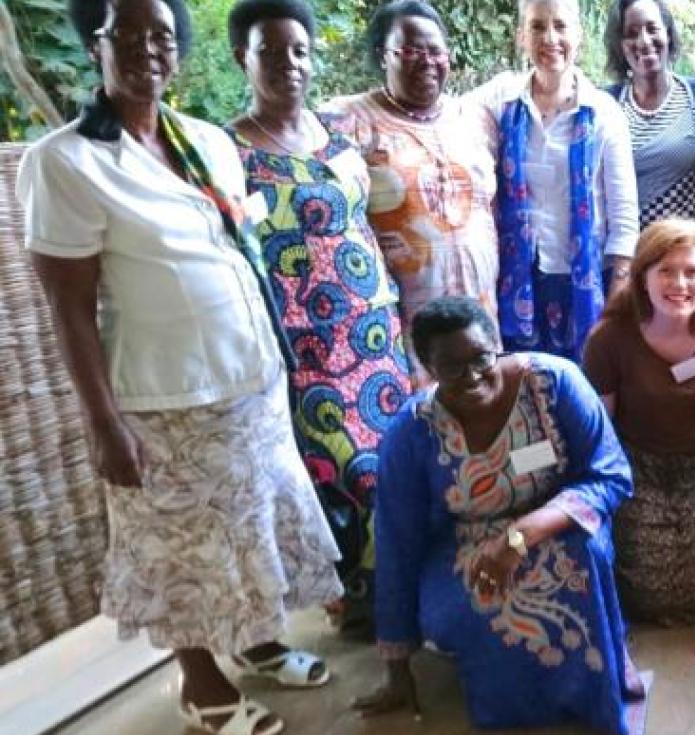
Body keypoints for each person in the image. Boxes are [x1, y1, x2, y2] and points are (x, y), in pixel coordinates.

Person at [22, 1, 343, 733]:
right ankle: (201, 683)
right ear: (93, 44)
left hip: (249, 383)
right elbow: (68, 307)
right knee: (180, 550)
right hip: (163, 398)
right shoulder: (65, 161)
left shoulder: (204, 141)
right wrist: (103, 422)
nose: (146, 50)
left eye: (161, 35)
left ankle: (259, 642)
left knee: (250, 525)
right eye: (125, 35)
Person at [355, 296, 644, 733]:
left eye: (480, 358)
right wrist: (397, 665)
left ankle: (596, 682)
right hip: (463, 539)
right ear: (428, 369)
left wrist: (521, 536)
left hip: (559, 522)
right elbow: (398, 541)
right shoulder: (413, 432)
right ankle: (515, 708)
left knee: (574, 570)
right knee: (474, 603)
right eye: (451, 367)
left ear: (498, 345)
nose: (471, 377)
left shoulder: (555, 385)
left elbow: (611, 476)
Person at [225, 0, 412, 633]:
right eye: (271, 53)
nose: (289, 65)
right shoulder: (227, 152)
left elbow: (359, 221)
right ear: (241, 59)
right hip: (300, 343)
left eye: (300, 51)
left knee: (393, 461)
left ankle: (395, 594)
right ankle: (356, 597)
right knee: (336, 469)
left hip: (374, 330)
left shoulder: (339, 138)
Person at [582, 219, 695, 625]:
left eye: (691, 271)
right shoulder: (608, 339)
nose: (680, 283)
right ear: (642, 276)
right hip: (640, 467)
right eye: (666, 270)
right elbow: (600, 428)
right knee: (648, 595)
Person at [320, 0, 499, 351]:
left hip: (481, 313)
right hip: (401, 324)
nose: (427, 60)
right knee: (419, 406)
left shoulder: (474, 117)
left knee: (479, 398)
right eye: (411, 49)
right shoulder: (346, 120)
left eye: (436, 50)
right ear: (382, 55)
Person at [467, 0, 640, 361]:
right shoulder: (502, 99)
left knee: (583, 388)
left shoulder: (604, 113)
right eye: (537, 26)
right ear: (520, 37)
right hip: (519, 282)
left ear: (578, 36)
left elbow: (625, 221)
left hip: (586, 285)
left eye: (561, 26)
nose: (550, 38)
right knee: (525, 388)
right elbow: (444, 116)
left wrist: (614, 307)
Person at [602, 0, 695, 233]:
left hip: (694, 256)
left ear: (668, 34)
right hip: (634, 259)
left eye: (652, 28)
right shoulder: (606, 105)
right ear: (620, 46)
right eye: (631, 33)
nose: (643, 40)